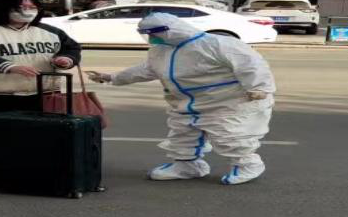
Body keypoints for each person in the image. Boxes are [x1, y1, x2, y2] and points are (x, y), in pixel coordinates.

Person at [87, 12, 275, 186]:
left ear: (171, 30)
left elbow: (251, 65)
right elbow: (146, 70)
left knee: (231, 136)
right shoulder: (161, 51)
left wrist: (259, 88)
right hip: (186, 104)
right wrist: (111, 77)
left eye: (154, 33)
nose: (152, 38)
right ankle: (186, 166)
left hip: (228, 102)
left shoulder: (217, 44)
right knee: (183, 136)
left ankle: (247, 165)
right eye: (148, 34)